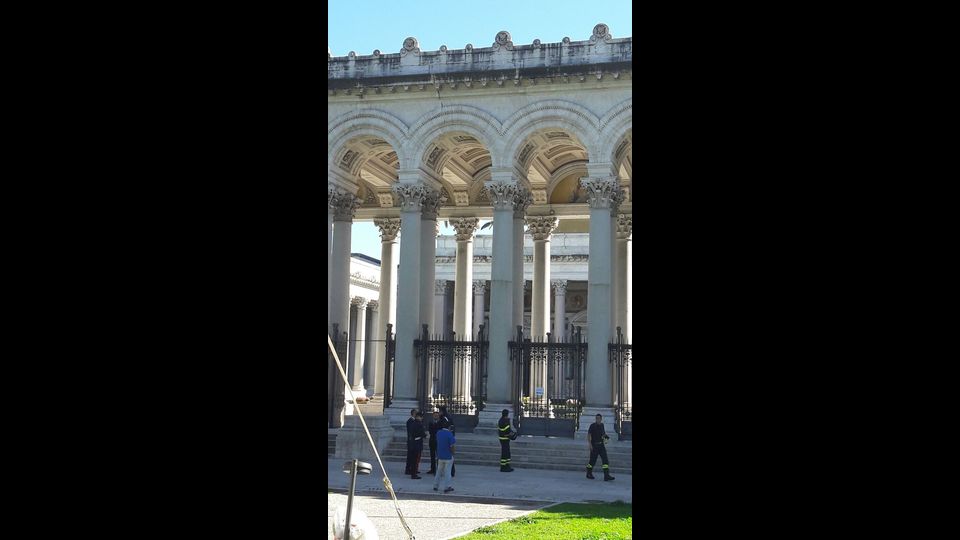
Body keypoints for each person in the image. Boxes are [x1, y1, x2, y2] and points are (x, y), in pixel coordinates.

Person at [586, 413, 615, 481]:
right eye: (596, 418)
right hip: (594, 446)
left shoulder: (602, 425)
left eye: (599, 418)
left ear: (601, 419)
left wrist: (606, 439)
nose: (597, 419)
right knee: (592, 461)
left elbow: (603, 434)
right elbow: (589, 435)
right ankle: (589, 472)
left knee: (605, 460)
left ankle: (606, 475)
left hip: (601, 446)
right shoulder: (592, 426)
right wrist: (590, 444)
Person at [432, 423, 456, 493]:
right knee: (447, 472)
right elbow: (452, 446)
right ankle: (447, 486)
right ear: (449, 427)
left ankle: (435, 485)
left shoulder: (438, 433)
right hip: (448, 455)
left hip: (440, 455)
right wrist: (453, 453)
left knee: (438, 471)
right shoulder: (449, 434)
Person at [438, 406, 456, 477]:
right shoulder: (447, 417)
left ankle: (449, 471)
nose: (439, 413)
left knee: (446, 455)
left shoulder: (444, 418)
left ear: (442, 411)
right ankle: (451, 471)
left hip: (445, 437)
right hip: (448, 436)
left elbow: (444, 427)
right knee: (449, 455)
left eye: (439, 411)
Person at [410, 412, 426, 479]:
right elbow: (421, 433)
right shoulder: (418, 424)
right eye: (421, 417)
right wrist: (425, 435)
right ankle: (414, 474)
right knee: (416, 460)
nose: (422, 418)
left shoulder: (413, 423)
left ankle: (413, 472)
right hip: (417, 443)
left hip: (413, 443)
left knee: (414, 460)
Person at [404, 408, 420, 477]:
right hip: (411, 441)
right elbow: (411, 431)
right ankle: (408, 469)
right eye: (416, 413)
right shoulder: (410, 421)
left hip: (414, 441)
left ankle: (413, 469)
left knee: (413, 457)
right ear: (413, 413)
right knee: (410, 456)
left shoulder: (414, 421)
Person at [426, 410, 441, 475]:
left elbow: (439, 431)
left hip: (438, 441)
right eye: (434, 415)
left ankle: (438, 470)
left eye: (437, 415)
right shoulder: (430, 422)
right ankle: (432, 469)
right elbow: (430, 431)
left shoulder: (440, 423)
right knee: (432, 456)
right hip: (432, 441)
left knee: (438, 456)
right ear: (433, 416)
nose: (435, 416)